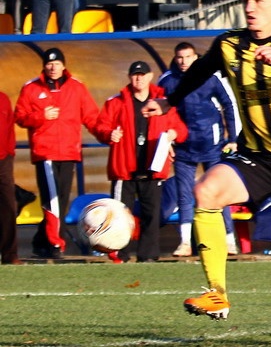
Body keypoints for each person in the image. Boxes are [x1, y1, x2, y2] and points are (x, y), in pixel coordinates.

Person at [142, 0, 271, 318]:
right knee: (206, 192)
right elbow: (198, 73)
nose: (250, 8)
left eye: (258, 1)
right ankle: (217, 293)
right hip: (257, 159)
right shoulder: (229, 44)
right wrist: (168, 102)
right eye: (245, 0)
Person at [95, 61, 187, 262]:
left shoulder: (162, 102)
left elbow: (181, 129)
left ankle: (149, 255)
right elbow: (100, 126)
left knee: (151, 215)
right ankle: (120, 253)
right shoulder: (116, 102)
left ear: (150, 76)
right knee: (120, 215)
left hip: (152, 168)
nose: (139, 78)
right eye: (135, 74)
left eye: (143, 74)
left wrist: (173, 133)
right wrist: (110, 134)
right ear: (129, 77)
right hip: (124, 168)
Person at [14, 48, 101, 259]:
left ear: (64, 65)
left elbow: (91, 116)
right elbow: (20, 116)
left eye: (57, 63)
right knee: (52, 200)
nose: (53, 67)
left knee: (60, 199)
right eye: (49, 64)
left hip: (69, 151)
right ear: (44, 66)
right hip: (46, 152)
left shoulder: (76, 87)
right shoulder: (31, 88)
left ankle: (41, 241)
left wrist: (107, 134)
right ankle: (56, 244)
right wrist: (40, 116)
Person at [157, 41, 238, 257]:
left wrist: (233, 138)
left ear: (195, 57)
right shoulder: (167, 81)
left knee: (220, 192)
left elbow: (229, 104)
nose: (183, 62)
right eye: (179, 57)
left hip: (212, 144)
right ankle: (185, 242)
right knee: (184, 194)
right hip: (184, 146)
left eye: (188, 57)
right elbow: (160, 111)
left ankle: (229, 241)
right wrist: (166, 141)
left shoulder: (210, 77)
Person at [0, 90, 20, 264]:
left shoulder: (3, 99)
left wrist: (9, 153)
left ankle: (10, 255)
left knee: (8, 206)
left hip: (3, 160)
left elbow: (9, 128)